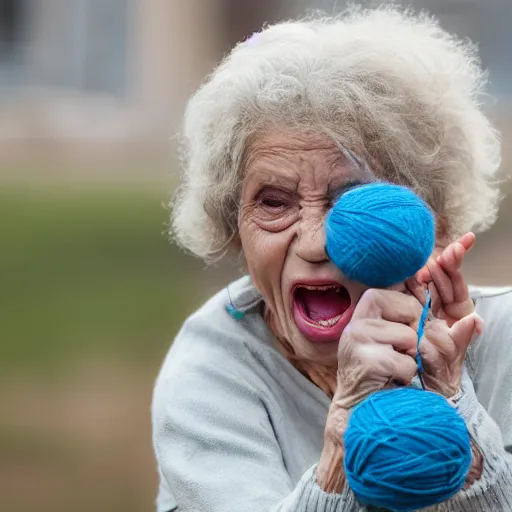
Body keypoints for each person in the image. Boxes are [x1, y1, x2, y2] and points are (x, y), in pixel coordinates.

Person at [151, 6, 512, 511]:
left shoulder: (501, 339)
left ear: (431, 224)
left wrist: (453, 401)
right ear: (232, 225)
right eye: (274, 202)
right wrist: (342, 438)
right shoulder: (212, 371)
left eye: (352, 201)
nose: (316, 243)